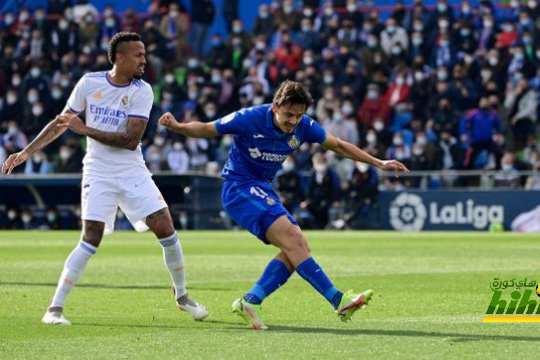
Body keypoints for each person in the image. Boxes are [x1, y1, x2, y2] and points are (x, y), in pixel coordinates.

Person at [159, 80, 409, 330]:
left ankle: (251, 300)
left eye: (299, 115)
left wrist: (379, 163)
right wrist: (178, 126)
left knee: (298, 247)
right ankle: (338, 300)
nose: (293, 121)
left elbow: (338, 146)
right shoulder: (250, 117)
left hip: (263, 189)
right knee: (294, 238)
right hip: (239, 187)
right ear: (275, 106)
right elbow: (206, 128)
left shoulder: (305, 126)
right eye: (289, 114)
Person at [1, 32, 207, 326]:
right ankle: (54, 309)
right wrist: (25, 152)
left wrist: (84, 130)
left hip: (132, 169)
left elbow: (130, 140)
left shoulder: (142, 90)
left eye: (144, 54)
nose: (144, 60)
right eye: (138, 55)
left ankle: (182, 295)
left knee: (165, 225)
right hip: (98, 171)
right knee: (91, 236)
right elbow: (62, 122)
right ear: (120, 57)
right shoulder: (89, 83)